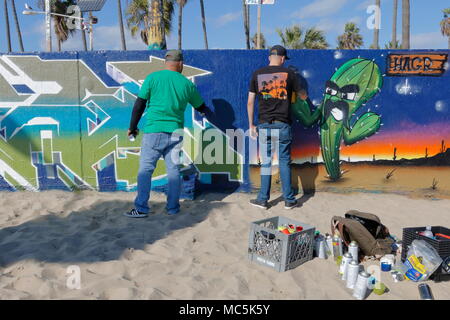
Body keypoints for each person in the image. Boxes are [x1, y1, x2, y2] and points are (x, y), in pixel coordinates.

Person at [125, 50, 208, 218]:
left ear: (166, 62)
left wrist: (132, 127)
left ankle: (141, 208)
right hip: (176, 132)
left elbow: (139, 105)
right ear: (180, 63)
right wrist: (206, 113)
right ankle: (173, 208)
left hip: (154, 131)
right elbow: (201, 107)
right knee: (174, 171)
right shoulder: (187, 84)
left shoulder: (152, 78)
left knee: (145, 170)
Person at [247, 45, 308, 210]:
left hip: (265, 124)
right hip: (283, 124)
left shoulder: (257, 74)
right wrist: (302, 92)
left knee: (266, 162)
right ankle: (289, 200)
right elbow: (302, 96)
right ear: (282, 59)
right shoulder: (290, 74)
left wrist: (251, 124)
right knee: (284, 161)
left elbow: (250, 101)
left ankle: (263, 199)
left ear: (269, 57)